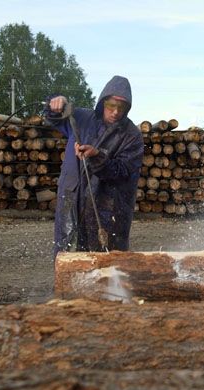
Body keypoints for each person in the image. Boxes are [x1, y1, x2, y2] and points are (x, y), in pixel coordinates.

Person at [46, 75, 143, 256]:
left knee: (105, 263)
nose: (115, 112)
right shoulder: (82, 118)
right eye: (111, 106)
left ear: (127, 108)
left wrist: (98, 156)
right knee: (68, 255)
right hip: (72, 199)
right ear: (102, 102)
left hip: (108, 209)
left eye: (121, 108)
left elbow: (123, 172)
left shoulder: (132, 136)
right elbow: (54, 117)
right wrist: (57, 101)